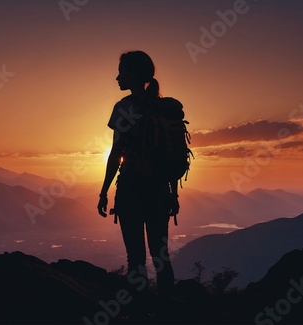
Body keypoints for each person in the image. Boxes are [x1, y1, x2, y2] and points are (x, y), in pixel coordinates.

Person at [97, 51, 177, 320]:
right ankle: (167, 311)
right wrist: (173, 194)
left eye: (122, 71)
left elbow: (115, 152)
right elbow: (171, 157)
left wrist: (104, 191)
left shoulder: (124, 107)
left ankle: (140, 313)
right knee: (161, 255)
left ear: (133, 73)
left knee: (136, 259)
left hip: (131, 188)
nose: (117, 76)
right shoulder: (164, 108)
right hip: (159, 191)